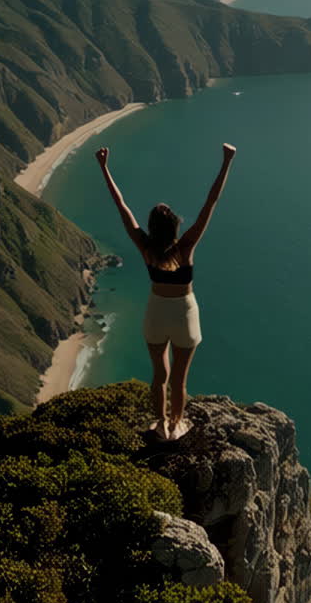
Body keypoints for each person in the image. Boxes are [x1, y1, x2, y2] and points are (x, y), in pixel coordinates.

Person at [95, 142, 237, 440]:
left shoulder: (145, 247)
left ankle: (160, 425)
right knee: (179, 381)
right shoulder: (185, 247)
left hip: (156, 312)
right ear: (174, 225)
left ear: (153, 226)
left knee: (160, 377)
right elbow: (210, 203)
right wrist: (226, 162)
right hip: (185, 312)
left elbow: (121, 207)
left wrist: (104, 169)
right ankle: (176, 424)